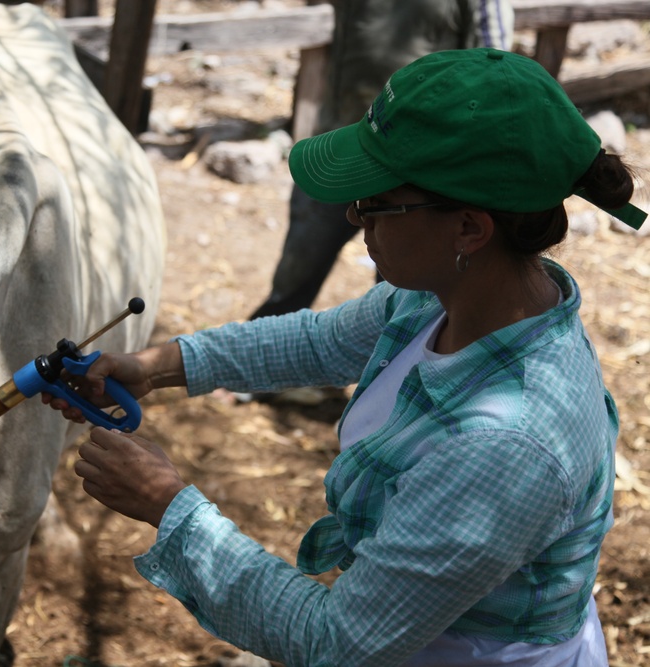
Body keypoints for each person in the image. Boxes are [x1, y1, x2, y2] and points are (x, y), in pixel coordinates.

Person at [45, 48, 646, 666]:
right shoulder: (450, 297)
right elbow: (317, 343)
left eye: (376, 204)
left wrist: (168, 506)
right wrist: (156, 366)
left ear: (469, 228)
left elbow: (336, 642)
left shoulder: (508, 444)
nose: (354, 216)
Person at [250, 0, 515, 321]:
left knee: (402, 297)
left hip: (413, 170)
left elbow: (494, 68)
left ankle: (392, 355)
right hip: (341, 143)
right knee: (297, 274)